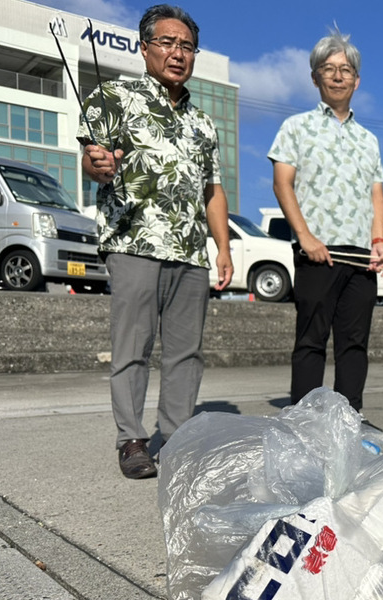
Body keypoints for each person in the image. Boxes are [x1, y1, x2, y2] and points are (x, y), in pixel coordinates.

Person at [78, 4, 233, 479]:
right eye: (167, 42)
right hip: (133, 242)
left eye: (186, 45)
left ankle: (179, 437)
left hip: (189, 251)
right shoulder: (112, 96)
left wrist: (222, 248)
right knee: (134, 346)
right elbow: (91, 158)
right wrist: (97, 165)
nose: (177, 53)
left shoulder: (203, 124)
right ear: (144, 47)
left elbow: (213, 191)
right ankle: (131, 439)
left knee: (187, 351)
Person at [267, 27, 383, 416]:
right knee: (311, 341)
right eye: (328, 68)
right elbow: (281, 183)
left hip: (360, 260)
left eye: (346, 69)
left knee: (354, 344)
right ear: (314, 76)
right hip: (316, 252)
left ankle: (350, 419)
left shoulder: (368, 139)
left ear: (357, 80)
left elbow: (376, 194)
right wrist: (305, 238)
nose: (338, 75)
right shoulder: (296, 127)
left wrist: (378, 241)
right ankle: (302, 422)